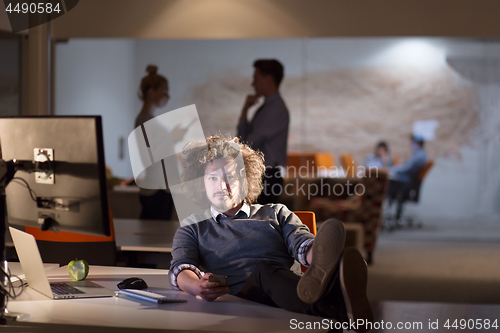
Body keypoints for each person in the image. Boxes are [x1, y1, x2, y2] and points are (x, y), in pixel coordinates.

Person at [169, 135, 373, 333]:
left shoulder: (276, 212)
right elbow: (181, 267)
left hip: (286, 295)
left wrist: (329, 259)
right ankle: (338, 306)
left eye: (229, 177)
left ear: (244, 179)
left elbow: (303, 245)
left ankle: (333, 284)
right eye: (212, 178)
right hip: (236, 298)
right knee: (263, 271)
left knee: (271, 270)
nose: (222, 186)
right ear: (202, 184)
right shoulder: (192, 226)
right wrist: (197, 287)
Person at [135, 65, 186, 220]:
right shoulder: (144, 120)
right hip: (157, 190)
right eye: (164, 92)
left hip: (161, 189)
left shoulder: (149, 120)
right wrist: (171, 138)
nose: (167, 97)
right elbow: (148, 158)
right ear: (151, 92)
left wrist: (172, 138)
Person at [237, 59, 289, 205]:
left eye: (256, 78)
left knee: (259, 224)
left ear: (269, 78)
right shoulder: (266, 108)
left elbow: (248, 144)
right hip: (263, 175)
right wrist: (245, 109)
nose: (253, 84)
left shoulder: (275, 109)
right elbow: (243, 141)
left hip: (267, 177)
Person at [387, 134, 428, 220]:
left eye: (412, 143)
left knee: (390, 181)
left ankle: (389, 202)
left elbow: (406, 169)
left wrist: (393, 170)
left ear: (417, 143)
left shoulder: (419, 156)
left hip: (406, 182)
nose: (411, 145)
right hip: (408, 180)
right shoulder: (419, 154)